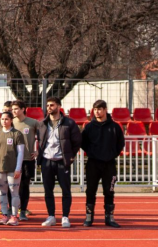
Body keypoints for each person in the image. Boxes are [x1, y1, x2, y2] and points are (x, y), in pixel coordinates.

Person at [36, 96, 82, 228]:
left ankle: (65, 217)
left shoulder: (69, 123)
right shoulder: (42, 123)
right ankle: (51, 216)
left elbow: (77, 141)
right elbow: (40, 141)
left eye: (52, 105)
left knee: (65, 190)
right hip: (47, 161)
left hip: (62, 161)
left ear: (58, 106)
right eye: (48, 105)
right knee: (48, 190)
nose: (49, 108)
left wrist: (71, 155)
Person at [81, 100, 124, 228]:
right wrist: (92, 153)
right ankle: (89, 218)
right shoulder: (88, 127)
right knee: (90, 191)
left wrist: (111, 154)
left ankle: (109, 218)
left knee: (109, 191)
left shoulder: (115, 127)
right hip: (93, 163)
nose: (97, 112)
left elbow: (120, 144)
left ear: (105, 110)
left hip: (109, 164)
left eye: (99, 109)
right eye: (95, 109)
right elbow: (83, 143)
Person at [0, 111, 26, 225]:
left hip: (13, 168)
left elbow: (20, 153)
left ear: (11, 120)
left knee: (14, 192)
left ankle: (14, 216)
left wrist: (18, 168)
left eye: (6, 119)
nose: (4, 121)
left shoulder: (17, 134)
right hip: (0, 167)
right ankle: (5, 215)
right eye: (2, 119)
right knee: (2, 192)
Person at [9, 100, 40, 220]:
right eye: (12, 109)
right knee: (11, 186)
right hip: (13, 160)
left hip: (27, 159)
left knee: (24, 186)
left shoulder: (32, 123)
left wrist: (38, 151)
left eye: (16, 108)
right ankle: (11, 211)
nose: (14, 111)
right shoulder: (11, 122)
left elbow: (44, 136)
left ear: (23, 109)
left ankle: (23, 211)